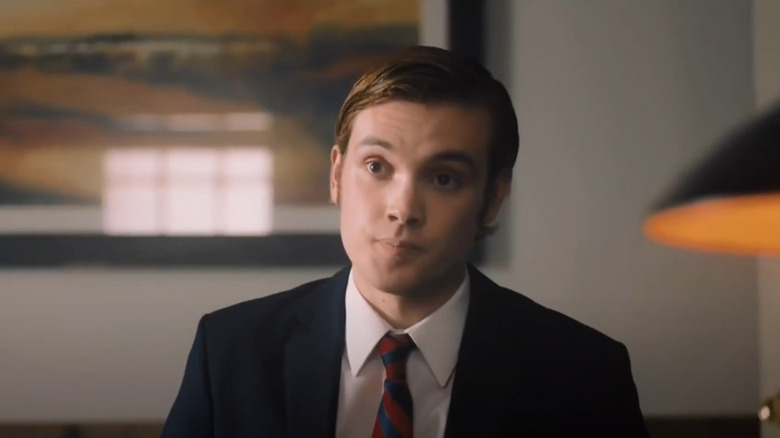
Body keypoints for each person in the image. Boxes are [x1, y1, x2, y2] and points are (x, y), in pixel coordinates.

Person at [161, 45, 649, 438]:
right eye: (376, 167)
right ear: (337, 175)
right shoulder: (230, 351)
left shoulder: (585, 374)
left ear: (493, 197)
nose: (403, 209)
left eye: (444, 178)